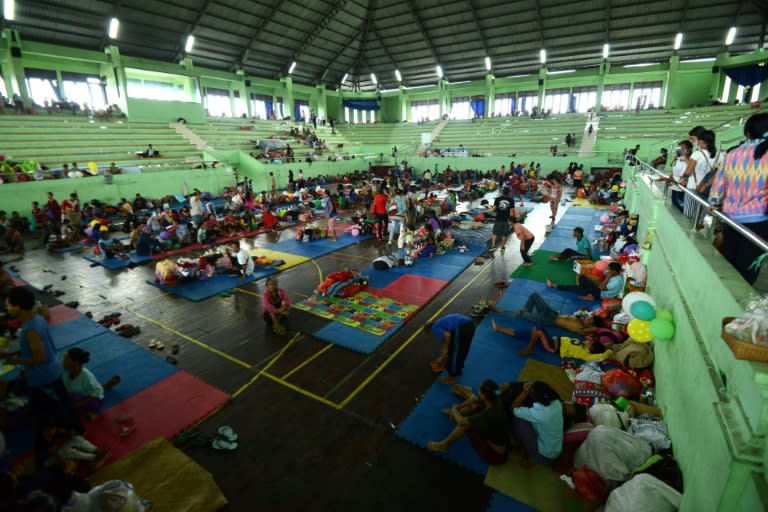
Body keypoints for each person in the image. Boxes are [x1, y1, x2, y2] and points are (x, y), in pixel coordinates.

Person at [2, 287, 82, 431]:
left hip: (43, 377)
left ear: (18, 307)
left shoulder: (29, 329)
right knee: (61, 404)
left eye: (8, 305)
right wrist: (17, 354)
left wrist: (16, 361)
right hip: (51, 371)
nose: (6, 308)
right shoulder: (37, 319)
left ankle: (73, 433)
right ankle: (74, 429)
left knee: (55, 410)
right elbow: (38, 347)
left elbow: (40, 357)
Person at [709, 112, 768, 284]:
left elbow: (717, 188)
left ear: (748, 133)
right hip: (760, 221)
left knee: (729, 263)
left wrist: (715, 203)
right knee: (749, 267)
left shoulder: (733, 155)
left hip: (732, 219)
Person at [427, 379, 509, 465]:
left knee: (466, 425)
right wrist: (459, 407)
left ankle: (444, 445)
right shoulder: (496, 395)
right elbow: (476, 399)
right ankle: (465, 396)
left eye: (479, 390)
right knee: (476, 405)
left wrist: (454, 409)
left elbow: (461, 422)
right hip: (500, 438)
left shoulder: (487, 415)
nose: (478, 391)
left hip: (494, 455)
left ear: (484, 396)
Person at [493, 292, 602, 337]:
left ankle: (499, 310)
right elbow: (582, 312)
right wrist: (585, 313)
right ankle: (526, 311)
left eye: (590, 320)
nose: (588, 318)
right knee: (534, 295)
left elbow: (593, 329)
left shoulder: (581, 328)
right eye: (589, 317)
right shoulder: (581, 319)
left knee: (520, 314)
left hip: (547, 320)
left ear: (591, 326)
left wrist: (593, 327)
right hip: (551, 313)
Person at [510, 381, 563, 467]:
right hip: (555, 449)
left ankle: (525, 455)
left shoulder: (539, 413)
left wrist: (525, 392)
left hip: (545, 457)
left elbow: (513, 408)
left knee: (518, 419)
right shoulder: (557, 402)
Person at [680, 129, 722, 229]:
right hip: (707, 188)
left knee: (688, 215)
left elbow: (688, 171)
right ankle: (696, 232)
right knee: (700, 216)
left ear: (702, 141)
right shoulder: (718, 155)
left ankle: (687, 234)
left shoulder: (697, 154)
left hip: (693, 187)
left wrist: (682, 180)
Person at [62, 348, 120, 417]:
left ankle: (107, 385)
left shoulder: (86, 375)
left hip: (92, 398)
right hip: (79, 393)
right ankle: (107, 385)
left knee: (76, 400)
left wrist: (81, 403)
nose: (63, 361)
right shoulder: (64, 371)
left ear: (76, 362)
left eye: (66, 359)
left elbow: (99, 391)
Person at [426, 313, 476, 383]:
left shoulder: (434, 328)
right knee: (463, 349)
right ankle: (458, 368)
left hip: (460, 327)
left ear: (429, 331)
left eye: (430, 335)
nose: (433, 336)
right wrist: (442, 358)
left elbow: (447, 336)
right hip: (471, 325)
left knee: (455, 352)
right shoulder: (441, 323)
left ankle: (451, 377)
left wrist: (445, 349)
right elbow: (450, 342)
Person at [546, 261, 624, 301]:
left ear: (613, 271)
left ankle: (554, 285)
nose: (607, 270)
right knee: (581, 280)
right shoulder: (619, 276)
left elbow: (600, 288)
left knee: (580, 280)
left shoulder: (615, 281)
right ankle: (589, 294)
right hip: (600, 291)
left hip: (600, 294)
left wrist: (608, 277)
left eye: (609, 269)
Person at [666, 140, 692, 213]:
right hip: (675, 185)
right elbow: (674, 170)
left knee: (680, 206)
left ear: (689, 149)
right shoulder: (679, 159)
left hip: (681, 187)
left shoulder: (689, 161)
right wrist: (671, 177)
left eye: (683, 148)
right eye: (679, 148)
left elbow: (685, 176)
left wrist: (671, 179)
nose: (680, 150)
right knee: (674, 203)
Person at [489, 187, 514, 254]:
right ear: (508, 192)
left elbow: (493, 208)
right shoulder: (511, 200)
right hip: (506, 220)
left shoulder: (497, 199)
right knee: (504, 234)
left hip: (498, 219)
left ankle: (493, 246)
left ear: (502, 192)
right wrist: (511, 220)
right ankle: (502, 247)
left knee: (495, 233)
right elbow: (511, 211)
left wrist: (490, 210)